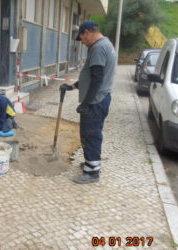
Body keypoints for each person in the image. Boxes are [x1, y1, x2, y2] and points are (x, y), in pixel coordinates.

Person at [60, 21, 116, 184]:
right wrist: (72, 87)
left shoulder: (98, 48)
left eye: (82, 39)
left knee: (90, 134)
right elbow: (91, 77)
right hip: (102, 99)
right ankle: (91, 163)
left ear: (87, 32)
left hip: (95, 102)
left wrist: (86, 103)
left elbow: (97, 79)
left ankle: (92, 172)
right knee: (94, 132)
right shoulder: (106, 44)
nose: (82, 43)